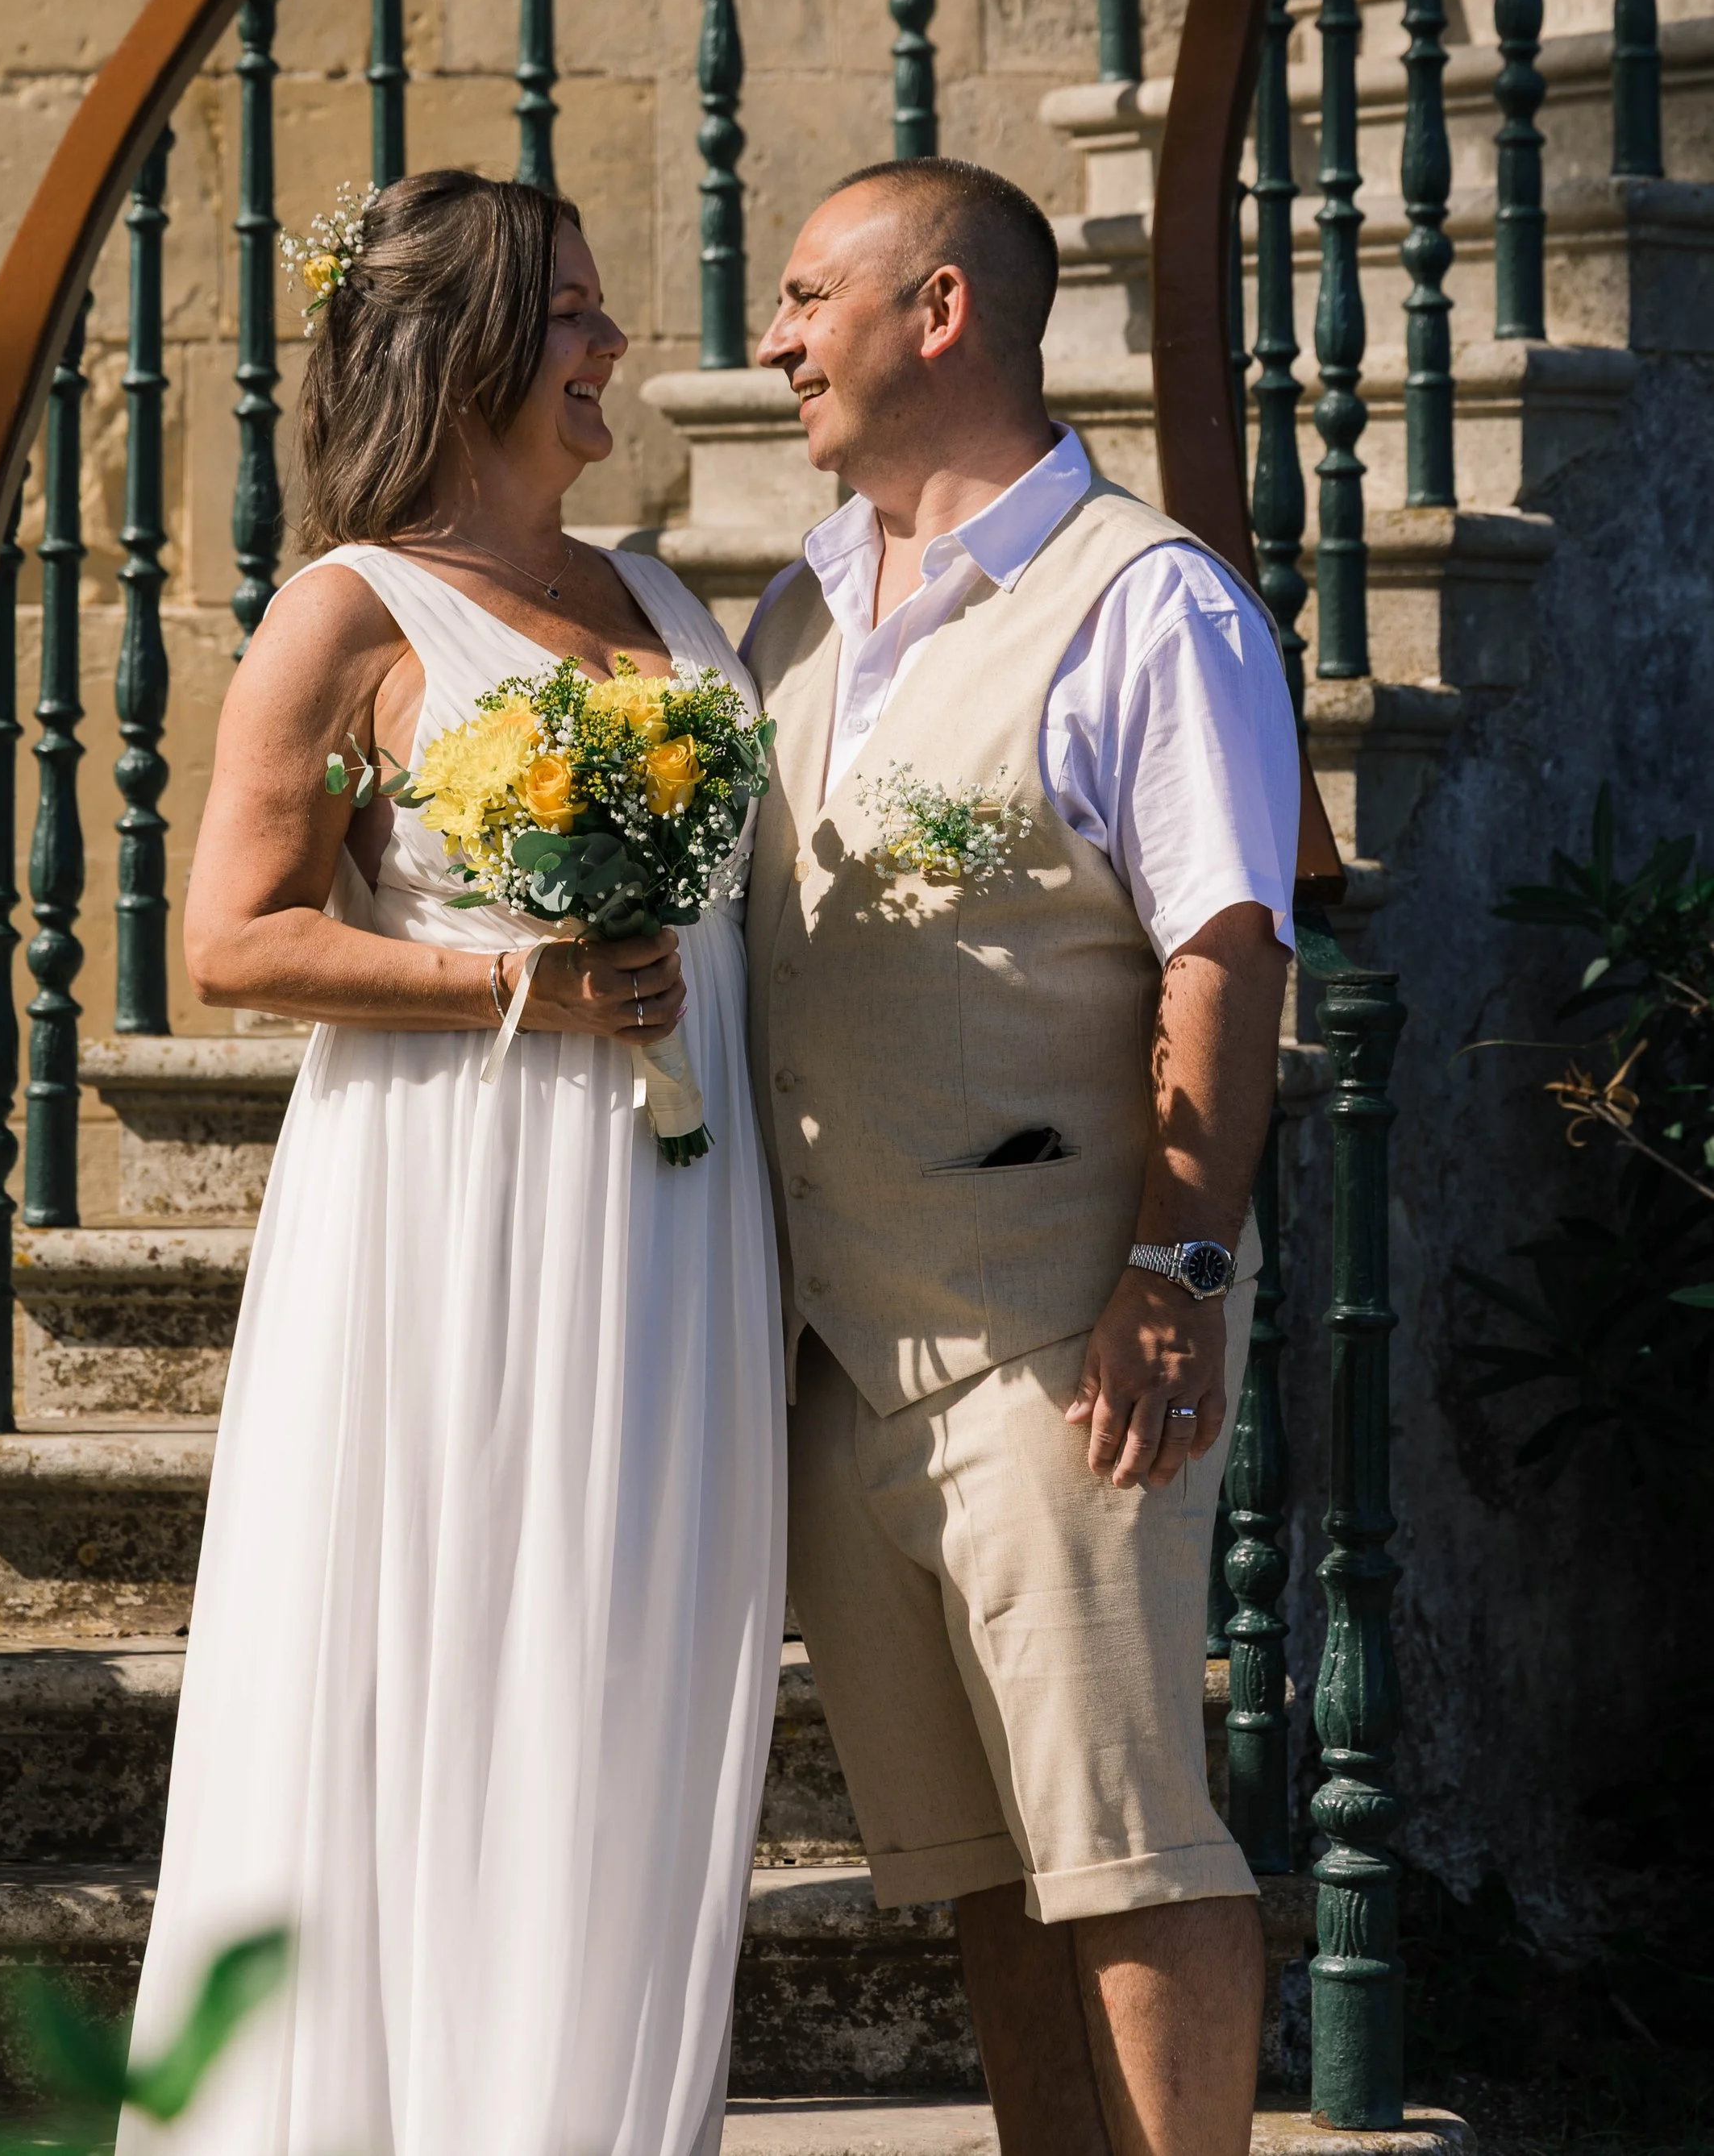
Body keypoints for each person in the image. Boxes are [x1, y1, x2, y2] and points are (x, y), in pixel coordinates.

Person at [119, 170, 784, 2156]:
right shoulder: (345, 611)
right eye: (572, 316)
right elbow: (231, 942)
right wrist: (527, 989)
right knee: (446, 1640)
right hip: (458, 1205)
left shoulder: (663, 595)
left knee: (634, 1658)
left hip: (671, 1214)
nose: (608, 352)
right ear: (471, 349)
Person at [744, 157, 1299, 2156]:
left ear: (942, 311)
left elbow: (1224, 951)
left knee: (1130, 1848)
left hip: (1057, 1342)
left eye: (810, 297)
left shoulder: (1146, 602)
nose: (774, 337)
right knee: (978, 1865)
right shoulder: (795, 603)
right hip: (839, 1351)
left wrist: (1175, 1274)